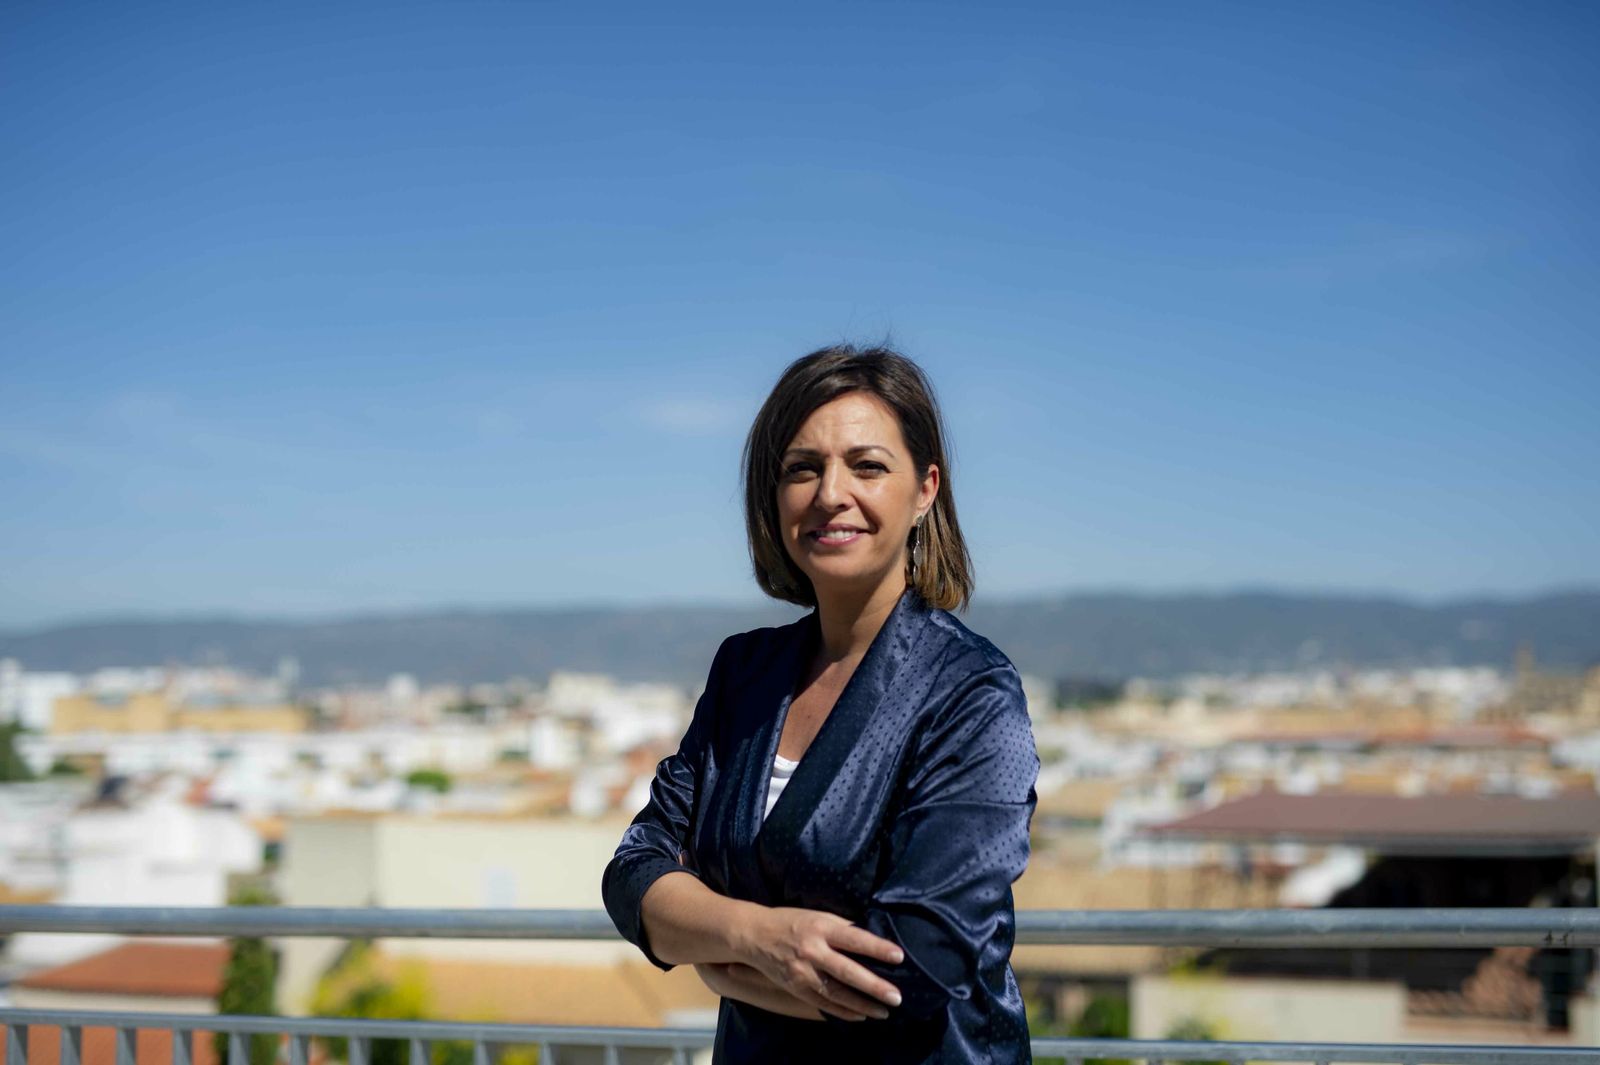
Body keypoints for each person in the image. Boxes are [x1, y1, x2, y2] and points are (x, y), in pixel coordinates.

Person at [601, 344, 1040, 1063]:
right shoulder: (746, 672)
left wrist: (714, 955)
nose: (830, 492)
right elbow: (633, 872)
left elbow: (920, 968)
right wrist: (759, 936)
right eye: (802, 467)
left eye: (867, 465)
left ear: (926, 488)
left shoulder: (970, 693)